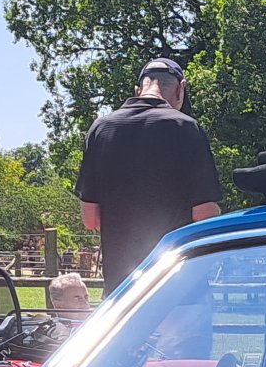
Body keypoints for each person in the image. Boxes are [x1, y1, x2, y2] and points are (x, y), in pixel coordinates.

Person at [75, 57, 224, 292]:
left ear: (138, 90)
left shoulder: (101, 129)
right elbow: (204, 213)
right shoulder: (185, 128)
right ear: (180, 88)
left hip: (122, 289)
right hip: (178, 287)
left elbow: (90, 219)